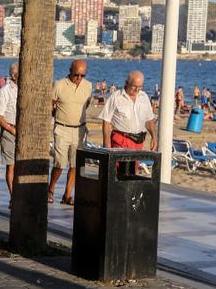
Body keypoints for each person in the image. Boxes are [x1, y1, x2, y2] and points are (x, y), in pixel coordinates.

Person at [48, 60, 92, 205]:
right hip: (62, 128)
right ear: (70, 71)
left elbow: (86, 104)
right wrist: (58, 114)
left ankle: (67, 195)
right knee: (59, 163)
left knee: (75, 164)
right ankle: (51, 190)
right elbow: (50, 104)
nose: (79, 78)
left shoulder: (88, 86)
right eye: (76, 74)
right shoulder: (59, 84)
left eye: (82, 75)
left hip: (80, 129)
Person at [99, 71, 156, 151]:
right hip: (120, 141)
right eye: (134, 86)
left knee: (135, 163)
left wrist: (154, 137)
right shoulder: (116, 97)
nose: (137, 89)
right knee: (120, 163)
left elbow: (149, 120)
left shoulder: (144, 97)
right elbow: (106, 121)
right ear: (126, 83)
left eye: (140, 87)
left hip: (139, 142)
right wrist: (106, 144)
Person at [0, 62, 18, 202]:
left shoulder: (26, 89)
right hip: (10, 130)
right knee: (11, 165)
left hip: (22, 130)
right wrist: (11, 129)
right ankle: (13, 196)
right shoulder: (5, 91)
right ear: (13, 75)